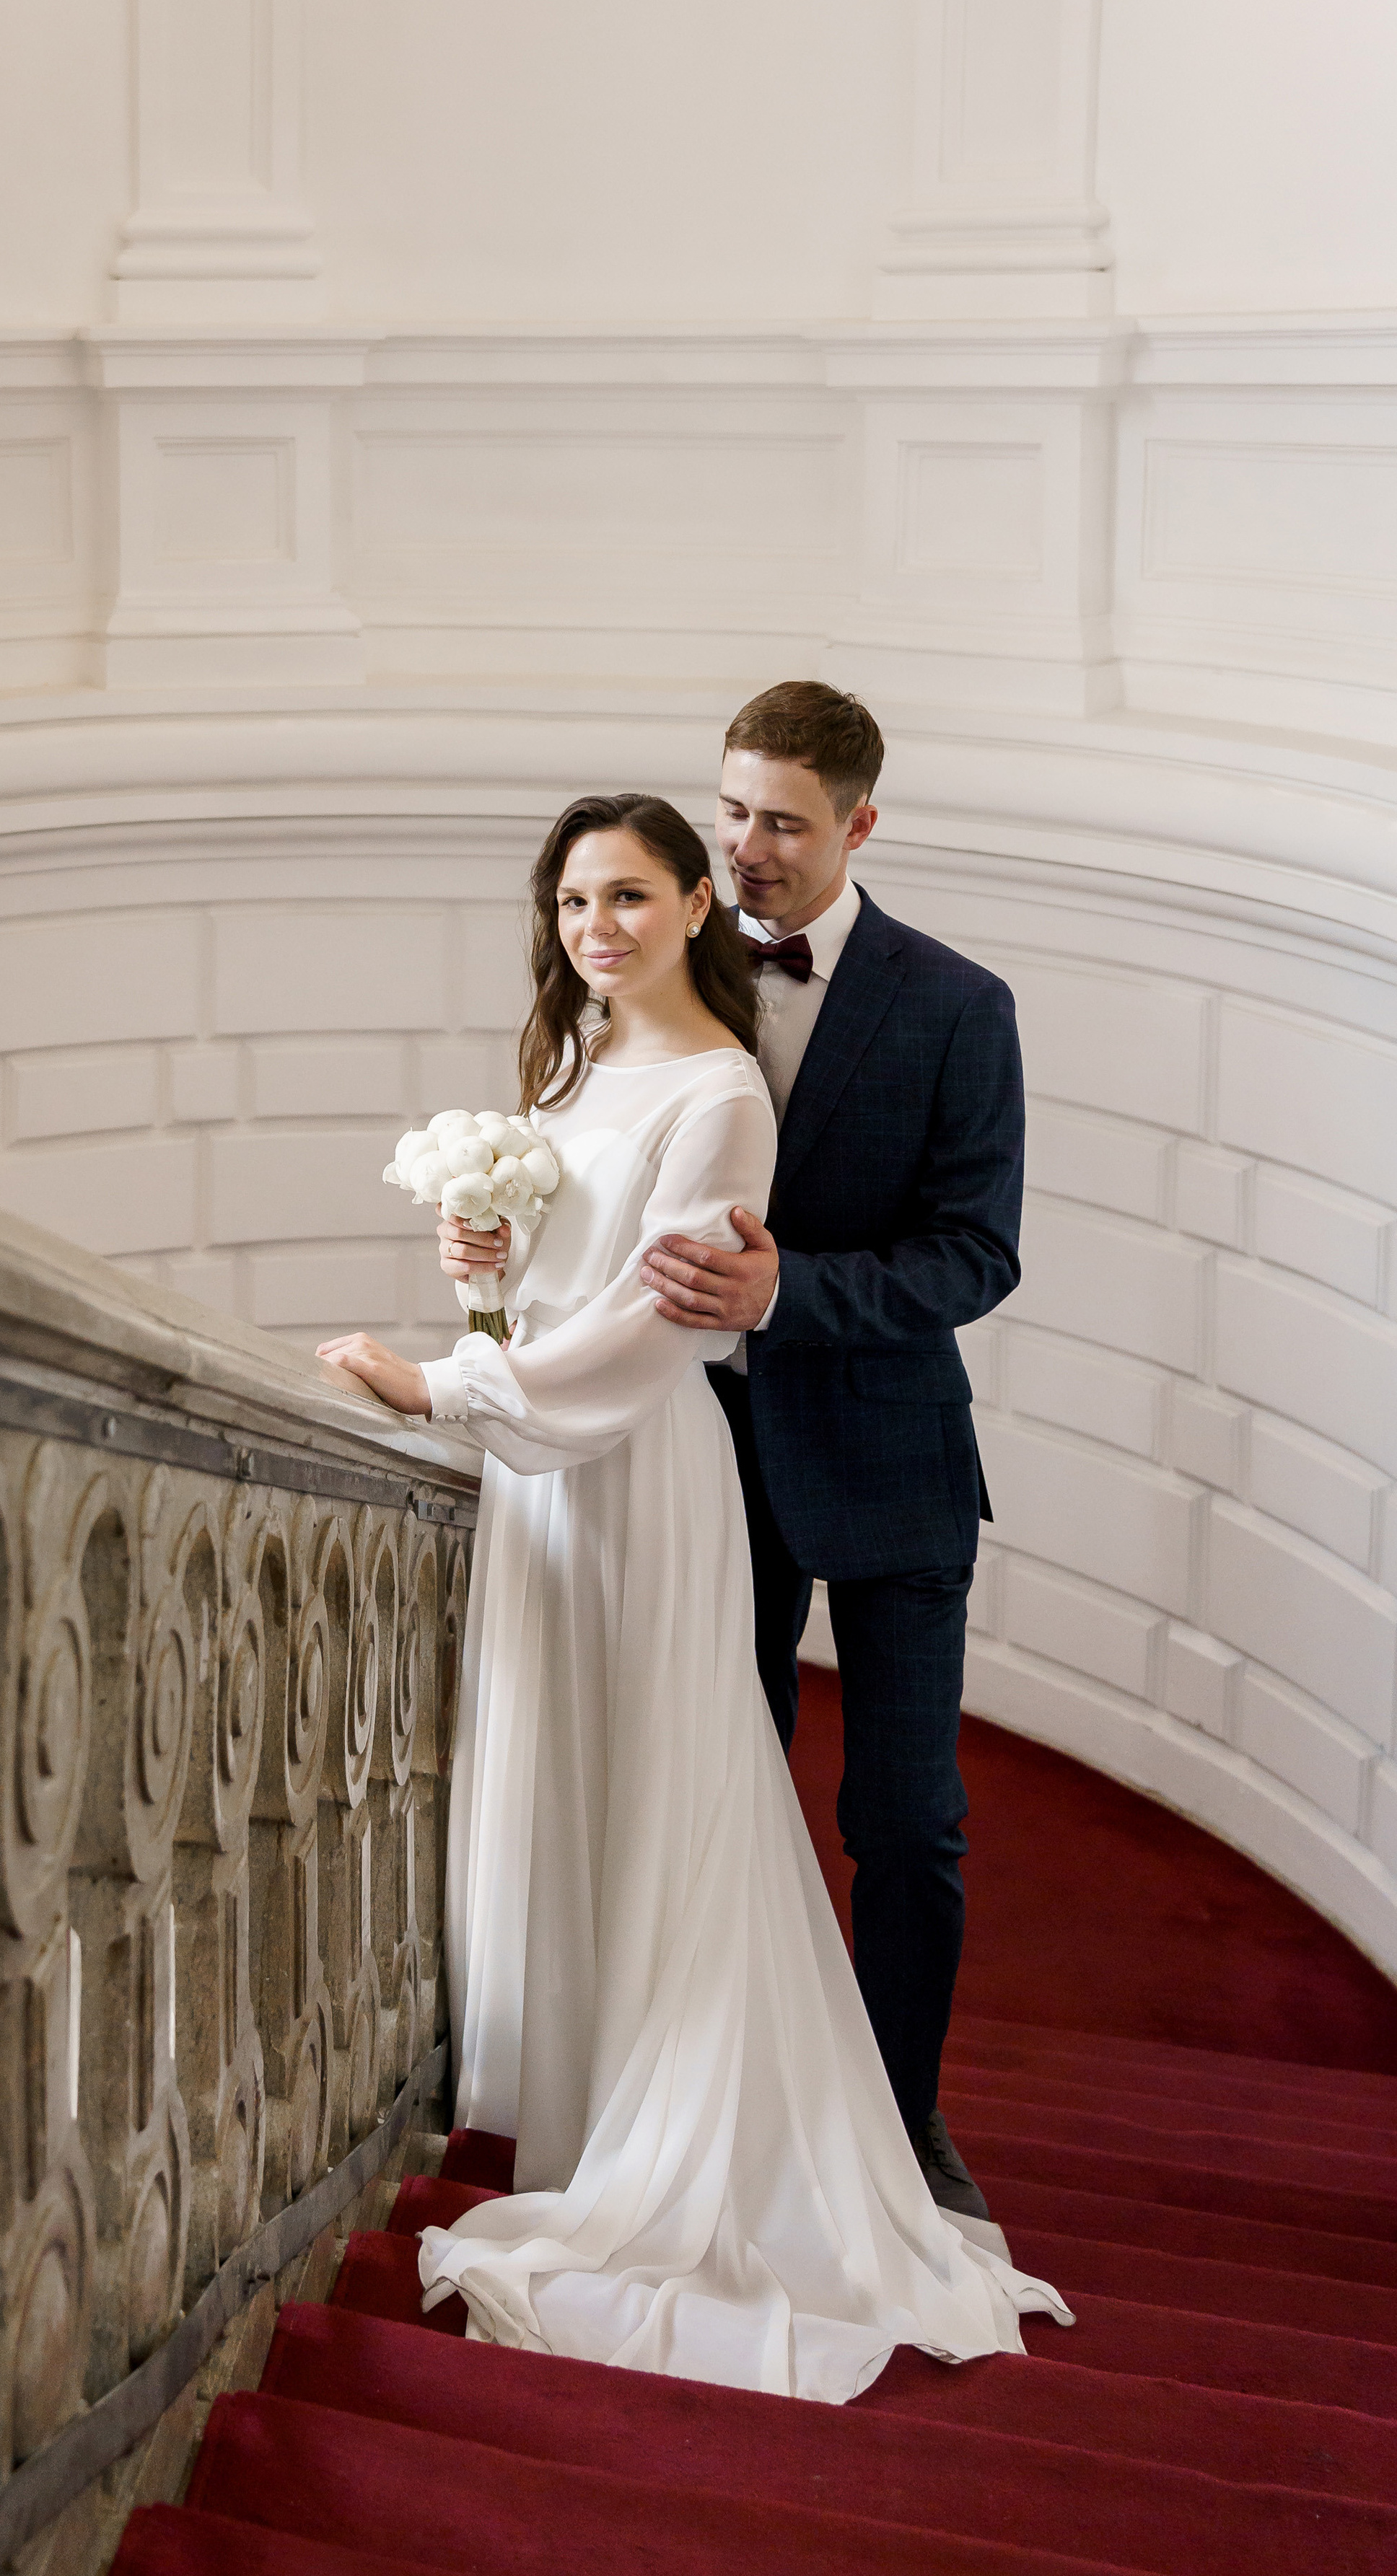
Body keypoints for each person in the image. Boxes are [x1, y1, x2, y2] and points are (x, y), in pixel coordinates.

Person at [317, 791, 1064, 2401]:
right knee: (594, 1771)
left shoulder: (735, 1090)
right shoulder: (575, 1066)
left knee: (809, 1804)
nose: (600, 924)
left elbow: (675, 1327)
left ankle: (855, 2121)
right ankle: (587, 2086)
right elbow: (556, 1302)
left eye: (633, 895)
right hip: (563, 1480)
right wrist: (484, 1278)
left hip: (680, 1475)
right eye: (576, 899)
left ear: (693, 908)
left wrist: (445, 1387)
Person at [632, 683, 1022, 2225]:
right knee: (714, 1783)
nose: (743, 849)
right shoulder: (667, 967)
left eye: (781, 821)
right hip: (701, 1458)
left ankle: (901, 2118)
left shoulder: (954, 1005)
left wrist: (791, 1289)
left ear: (859, 824)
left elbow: (974, 1254)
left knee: (905, 1825)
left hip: (890, 1465)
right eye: (729, 811)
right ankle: (715, 2090)